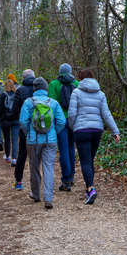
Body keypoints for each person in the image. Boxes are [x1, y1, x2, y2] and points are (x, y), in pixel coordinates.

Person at [68, 69, 120, 205]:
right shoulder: (100, 94)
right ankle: (88, 188)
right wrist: (115, 131)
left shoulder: (76, 92)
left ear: (80, 79)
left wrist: (73, 127)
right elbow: (106, 114)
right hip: (97, 130)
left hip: (81, 130)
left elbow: (72, 114)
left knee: (85, 161)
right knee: (90, 160)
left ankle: (91, 189)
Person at [20, 77, 65, 209]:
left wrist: (29, 133)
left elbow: (23, 122)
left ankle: (36, 194)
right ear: (46, 89)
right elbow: (62, 122)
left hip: (32, 141)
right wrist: (53, 133)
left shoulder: (28, 103)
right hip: (50, 141)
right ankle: (48, 198)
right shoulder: (54, 103)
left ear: (34, 89)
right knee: (48, 167)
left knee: (34, 167)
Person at [48, 63, 79, 191]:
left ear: (60, 72)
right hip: (73, 120)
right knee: (71, 148)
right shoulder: (76, 84)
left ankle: (66, 180)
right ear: (70, 71)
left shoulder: (54, 84)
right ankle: (71, 177)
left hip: (60, 121)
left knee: (63, 149)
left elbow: (51, 104)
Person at [12, 69, 35, 190]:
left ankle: (19, 181)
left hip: (25, 127)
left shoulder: (20, 90)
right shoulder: (39, 89)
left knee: (22, 154)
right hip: (40, 128)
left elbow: (15, 110)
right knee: (37, 156)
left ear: (23, 78)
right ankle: (36, 184)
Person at [0, 79, 19, 164]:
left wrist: (0, 118)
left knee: (7, 138)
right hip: (16, 120)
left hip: (5, 120)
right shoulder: (17, 94)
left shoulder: (2, 95)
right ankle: (14, 159)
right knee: (15, 139)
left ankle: (7, 156)